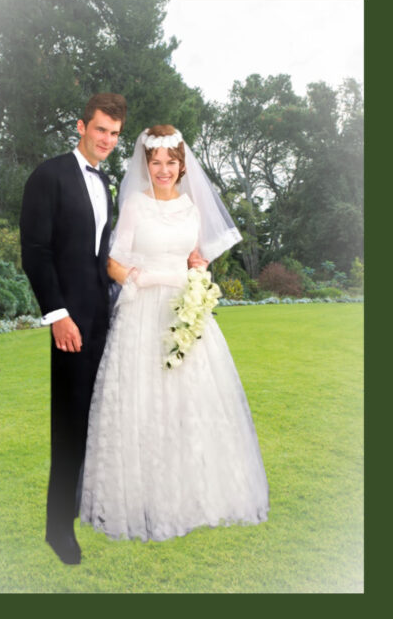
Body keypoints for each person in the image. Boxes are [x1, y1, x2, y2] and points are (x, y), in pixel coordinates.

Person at [79, 125, 268, 541]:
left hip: (184, 313)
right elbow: (112, 261)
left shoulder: (191, 209)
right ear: (146, 164)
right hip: (143, 311)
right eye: (156, 161)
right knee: (141, 402)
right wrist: (139, 277)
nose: (163, 169)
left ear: (182, 166)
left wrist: (199, 271)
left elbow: (196, 258)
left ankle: (193, 496)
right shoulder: (133, 206)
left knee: (190, 403)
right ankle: (140, 499)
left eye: (171, 162)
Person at [19, 93, 126, 564]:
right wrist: (57, 315)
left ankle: (89, 510)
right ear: (82, 126)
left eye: (115, 134)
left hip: (106, 321)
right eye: (101, 129)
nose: (107, 140)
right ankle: (57, 529)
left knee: (98, 423)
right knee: (69, 425)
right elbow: (36, 251)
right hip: (71, 324)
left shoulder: (106, 185)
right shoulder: (49, 176)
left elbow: (101, 257)